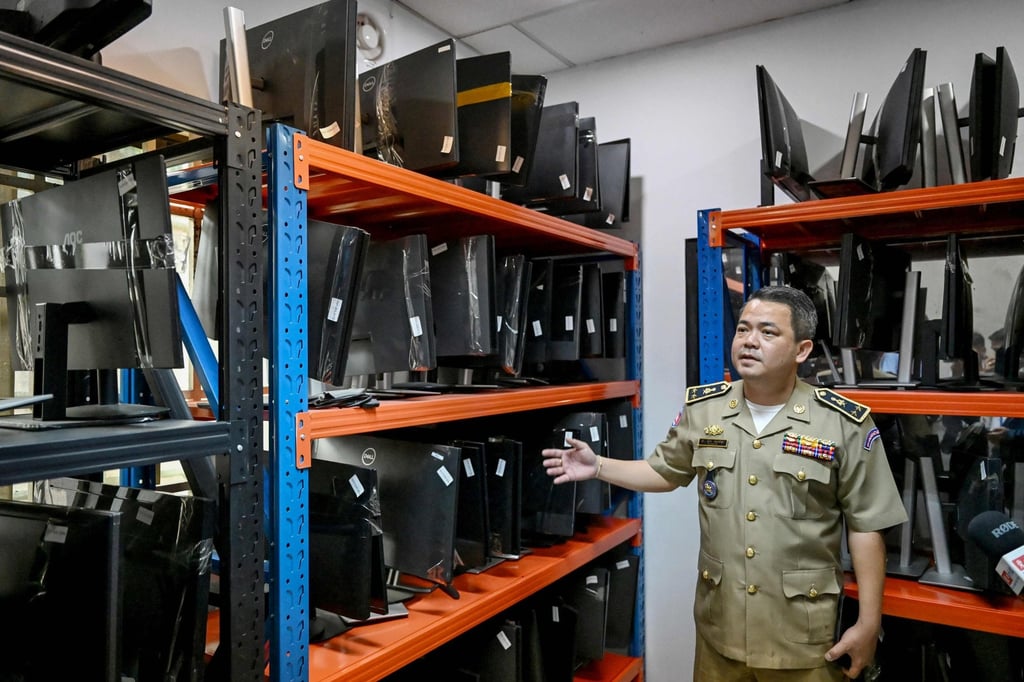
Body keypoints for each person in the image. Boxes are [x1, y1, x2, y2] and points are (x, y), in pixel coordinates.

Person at [543, 286, 907, 681]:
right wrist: (598, 466)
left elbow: (867, 525)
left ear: (801, 350)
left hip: (803, 641)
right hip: (721, 634)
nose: (750, 341)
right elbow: (664, 471)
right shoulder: (706, 409)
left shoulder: (841, 423)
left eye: (768, 332)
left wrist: (869, 623)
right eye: (743, 329)